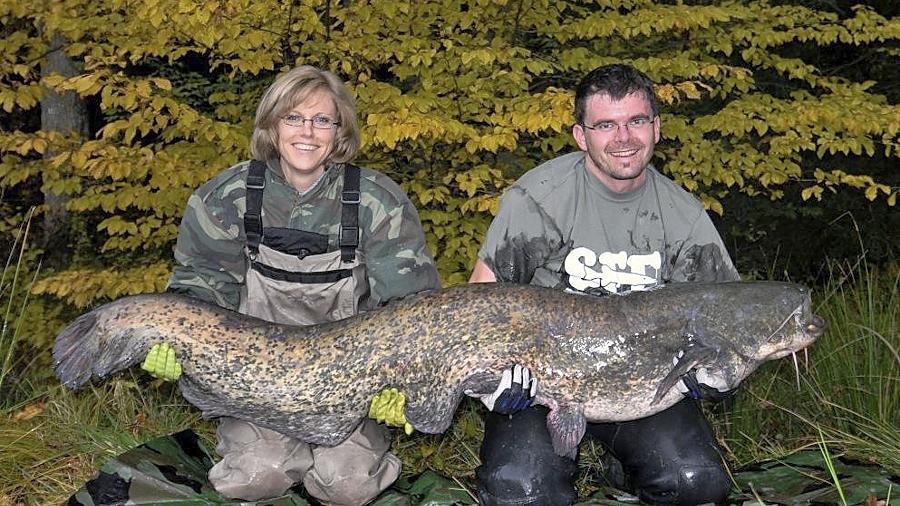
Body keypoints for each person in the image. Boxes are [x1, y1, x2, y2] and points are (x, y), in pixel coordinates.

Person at [142, 65, 446, 505]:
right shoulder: (226, 196)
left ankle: (343, 459)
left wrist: (403, 383)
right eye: (293, 118)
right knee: (256, 477)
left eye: (322, 120)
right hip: (254, 382)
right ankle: (273, 454)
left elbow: (412, 308)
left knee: (349, 485)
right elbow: (201, 287)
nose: (308, 131)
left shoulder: (378, 201)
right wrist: (172, 340)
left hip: (351, 385)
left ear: (339, 130)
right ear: (272, 125)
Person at [469, 64, 741, 506]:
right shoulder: (540, 197)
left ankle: (624, 466)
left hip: (644, 391)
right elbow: (477, 302)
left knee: (695, 481)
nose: (623, 137)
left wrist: (715, 372)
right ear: (582, 135)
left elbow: (727, 315)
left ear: (656, 127)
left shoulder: (683, 215)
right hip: (542, 388)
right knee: (522, 488)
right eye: (606, 125)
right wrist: (494, 381)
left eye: (636, 121)